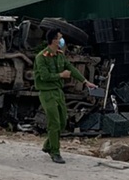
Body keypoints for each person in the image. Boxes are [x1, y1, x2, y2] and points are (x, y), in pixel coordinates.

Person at [34, 28, 97, 164]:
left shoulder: (60, 55)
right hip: (47, 92)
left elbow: (71, 68)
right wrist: (61, 75)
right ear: (54, 40)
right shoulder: (41, 57)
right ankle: (55, 152)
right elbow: (44, 76)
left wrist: (85, 82)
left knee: (62, 122)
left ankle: (47, 145)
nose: (62, 40)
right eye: (60, 38)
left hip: (58, 91)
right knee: (54, 122)